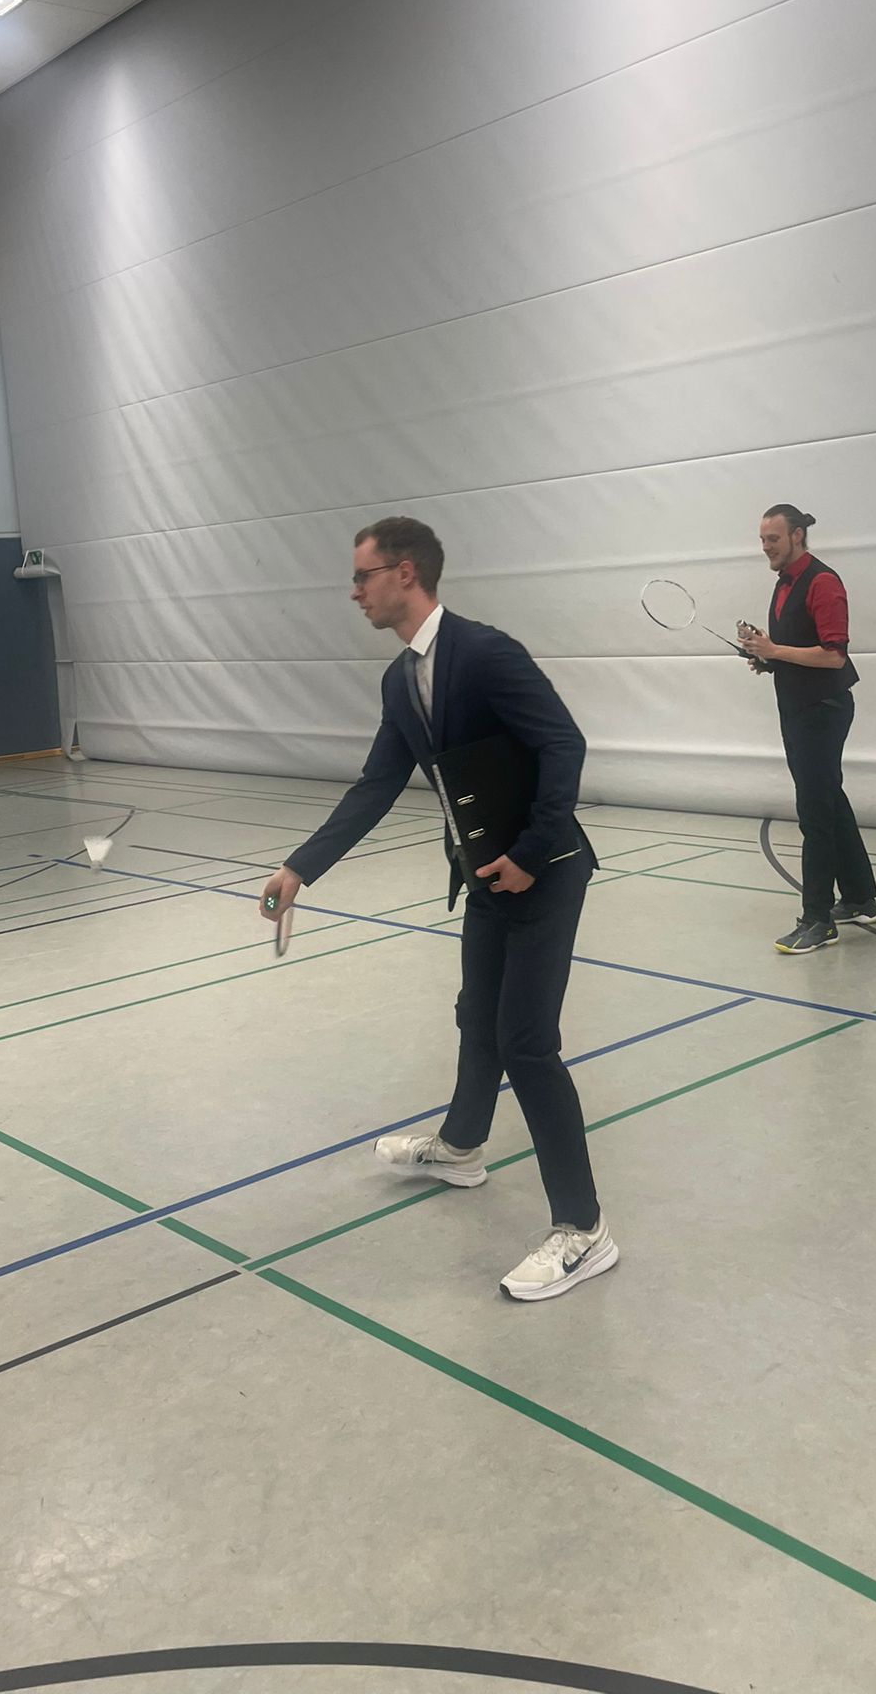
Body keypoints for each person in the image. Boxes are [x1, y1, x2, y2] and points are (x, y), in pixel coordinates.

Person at [261, 516, 616, 1303]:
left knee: (526, 1044)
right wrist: (300, 868)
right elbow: (377, 785)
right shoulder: (401, 681)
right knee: (476, 1016)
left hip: (546, 871)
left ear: (406, 573)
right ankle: (461, 1147)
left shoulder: (486, 653)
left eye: (363, 576)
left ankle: (584, 1228)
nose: (354, 591)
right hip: (483, 874)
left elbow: (565, 745)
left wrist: (531, 854)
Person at [739, 504, 876, 953]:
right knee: (830, 800)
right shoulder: (784, 583)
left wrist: (776, 650)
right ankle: (859, 897)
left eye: (773, 539)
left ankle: (817, 920)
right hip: (797, 708)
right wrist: (766, 658)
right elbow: (795, 650)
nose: (766, 547)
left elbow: (833, 655)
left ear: (797, 535)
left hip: (823, 710)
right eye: (763, 540)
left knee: (814, 811)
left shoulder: (823, 582)